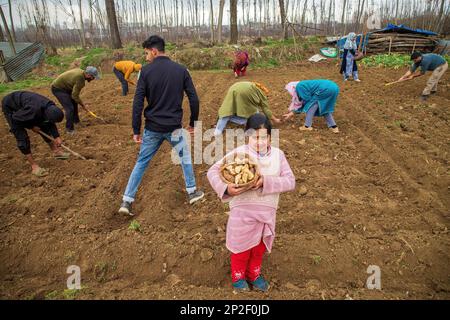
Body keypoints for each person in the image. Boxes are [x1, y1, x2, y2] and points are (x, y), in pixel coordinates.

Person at [207, 113, 295, 292]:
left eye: (264, 137)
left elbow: (290, 181)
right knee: (241, 247)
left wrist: (265, 182)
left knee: (258, 248)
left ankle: (254, 273)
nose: (259, 141)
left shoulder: (278, 155)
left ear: (270, 137)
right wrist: (227, 189)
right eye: (255, 137)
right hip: (242, 213)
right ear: (247, 136)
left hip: (266, 214)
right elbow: (212, 171)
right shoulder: (239, 154)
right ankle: (238, 276)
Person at [118, 35, 204, 216]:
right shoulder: (181, 70)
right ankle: (192, 192)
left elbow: (138, 102)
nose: (146, 57)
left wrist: (136, 129)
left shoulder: (145, 72)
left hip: (153, 128)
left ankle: (127, 200)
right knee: (185, 158)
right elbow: (194, 98)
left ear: (154, 51)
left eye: (147, 53)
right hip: (174, 127)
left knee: (141, 162)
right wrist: (192, 123)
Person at [2, 91, 68, 176]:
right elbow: (16, 119)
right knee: (22, 137)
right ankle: (34, 166)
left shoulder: (50, 106)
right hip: (11, 108)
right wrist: (31, 126)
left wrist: (57, 136)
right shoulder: (33, 109)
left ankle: (56, 152)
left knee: (43, 125)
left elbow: (49, 122)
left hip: (26, 105)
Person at [214, 81, 281, 136]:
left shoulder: (254, 86)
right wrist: (275, 119)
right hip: (245, 92)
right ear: (265, 93)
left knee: (228, 109)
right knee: (253, 113)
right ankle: (249, 130)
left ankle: (217, 131)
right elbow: (266, 109)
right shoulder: (262, 95)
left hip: (233, 87)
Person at [51, 66, 100, 134]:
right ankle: (69, 129)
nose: (93, 79)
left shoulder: (81, 71)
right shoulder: (80, 79)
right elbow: (75, 95)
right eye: (93, 77)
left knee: (74, 103)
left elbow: (74, 96)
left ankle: (76, 121)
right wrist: (83, 105)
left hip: (66, 87)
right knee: (70, 108)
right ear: (88, 75)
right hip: (58, 89)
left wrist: (79, 102)